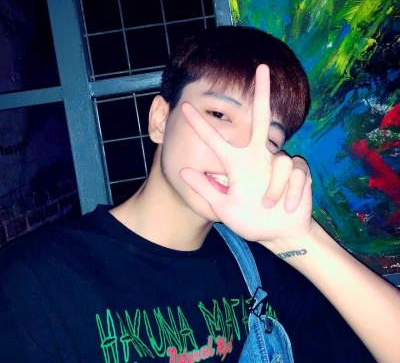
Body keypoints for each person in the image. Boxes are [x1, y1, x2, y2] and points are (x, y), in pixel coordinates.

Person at [0, 26, 399, 363]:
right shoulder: (35, 281)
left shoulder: (265, 274)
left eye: (269, 140)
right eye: (219, 114)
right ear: (160, 119)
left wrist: (298, 238)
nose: (242, 148)